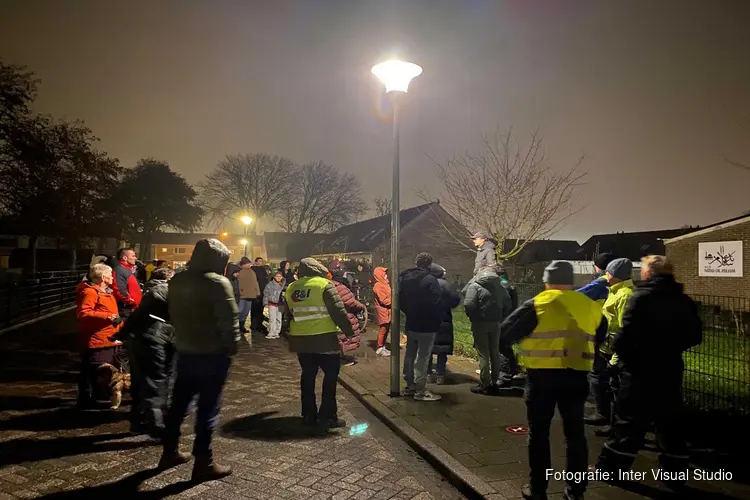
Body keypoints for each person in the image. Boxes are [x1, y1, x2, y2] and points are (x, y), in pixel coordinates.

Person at [499, 261, 607, 500]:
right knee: (575, 435)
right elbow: (600, 335)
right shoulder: (590, 306)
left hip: (542, 378)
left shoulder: (538, 304)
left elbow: (505, 333)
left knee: (539, 434)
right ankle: (575, 491)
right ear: (570, 281)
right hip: (577, 376)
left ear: (547, 280)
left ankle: (538, 489)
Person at [596, 255, 702, 488]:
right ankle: (674, 476)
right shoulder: (683, 300)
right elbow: (695, 335)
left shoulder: (641, 298)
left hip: (639, 371)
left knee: (627, 423)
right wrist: (671, 347)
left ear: (649, 273)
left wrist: (627, 359)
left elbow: (625, 336)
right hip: (670, 369)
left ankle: (611, 470)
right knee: (669, 424)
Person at [159, 238, 238, 482]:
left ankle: (169, 452)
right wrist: (231, 348)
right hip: (212, 354)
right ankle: (204, 461)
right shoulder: (218, 283)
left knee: (179, 404)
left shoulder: (178, 280)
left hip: (185, 351)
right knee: (208, 408)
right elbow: (229, 322)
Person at [285, 258, 355, 428]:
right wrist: (349, 331)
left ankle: (308, 415)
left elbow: (289, 314)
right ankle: (328, 416)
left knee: (308, 376)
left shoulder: (292, 287)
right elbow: (338, 311)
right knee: (330, 378)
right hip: (325, 339)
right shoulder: (324, 285)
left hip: (301, 340)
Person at [111, 267, 176, 437]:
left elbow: (136, 316)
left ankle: (138, 422)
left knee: (140, 382)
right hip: (156, 341)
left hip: (139, 340)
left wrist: (121, 334)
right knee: (157, 383)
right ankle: (157, 427)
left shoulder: (149, 291)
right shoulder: (166, 291)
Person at [586, 257, 635, 433]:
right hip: (605, 346)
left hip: (614, 350)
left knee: (617, 388)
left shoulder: (625, 295)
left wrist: (615, 359)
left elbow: (624, 329)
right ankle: (607, 418)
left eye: (608, 272)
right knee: (606, 383)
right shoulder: (613, 291)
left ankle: (616, 426)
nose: (605, 274)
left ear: (615, 275)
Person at [75, 263, 124, 409]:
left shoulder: (105, 292)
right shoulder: (91, 292)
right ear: (103, 277)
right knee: (92, 371)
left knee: (102, 371)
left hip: (107, 338)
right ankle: (86, 399)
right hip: (96, 339)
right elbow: (83, 313)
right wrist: (108, 316)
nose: (112, 277)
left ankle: (98, 395)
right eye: (110, 275)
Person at [463, 263, 514, 395]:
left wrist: (472, 316)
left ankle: (484, 384)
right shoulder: (499, 287)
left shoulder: (475, 286)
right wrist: (500, 315)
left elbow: (468, 304)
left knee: (483, 354)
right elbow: (508, 304)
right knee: (494, 352)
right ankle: (494, 381)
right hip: (496, 323)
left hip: (480, 323)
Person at [399, 252, 444, 402]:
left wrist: (409, 312)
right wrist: (436, 321)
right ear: (429, 264)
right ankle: (420, 390)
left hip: (411, 322)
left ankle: (409, 385)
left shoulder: (404, 278)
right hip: (427, 324)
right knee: (423, 357)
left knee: (410, 354)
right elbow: (437, 302)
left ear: (416, 262)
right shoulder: (431, 280)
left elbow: (399, 299)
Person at [427, 263, 460, 385]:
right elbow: (455, 300)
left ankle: (428, 374)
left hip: (429, 319)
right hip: (444, 318)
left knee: (428, 349)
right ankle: (441, 375)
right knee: (442, 349)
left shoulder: (427, 284)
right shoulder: (447, 285)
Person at [328, 260, 365, 365]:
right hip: (344, 316)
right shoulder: (340, 287)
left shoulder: (330, 285)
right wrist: (360, 306)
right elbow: (350, 302)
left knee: (339, 338)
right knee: (343, 338)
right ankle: (339, 360)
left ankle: (339, 357)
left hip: (335, 317)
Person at [111, 248, 142, 320]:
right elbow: (119, 290)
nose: (135, 258)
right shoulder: (119, 270)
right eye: (133, 256)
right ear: (125, 258)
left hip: (131, 309)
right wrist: (132, 302)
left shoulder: (126, 270)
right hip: (126, 310)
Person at [372, 267, 392, 357]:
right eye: (384, 273)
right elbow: (384, 300)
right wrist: (394, 300)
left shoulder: (385, 284)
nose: (386, 275)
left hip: (387, 310)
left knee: (386, 328)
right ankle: (379, 347)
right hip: (383, 310)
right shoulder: (378, 286)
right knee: (383, 329)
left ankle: (382, 346)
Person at [237, 256, 259, 335]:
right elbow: (238, 283)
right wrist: (240, 291)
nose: (249, 265)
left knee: (246, 312)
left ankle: (242, 326)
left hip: (250, 295)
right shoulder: (240, 271)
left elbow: (255, 282)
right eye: (247, 263)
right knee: (240, 311)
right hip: (242, 295)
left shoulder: (252, 272)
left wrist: (257, 292)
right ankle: (238, 327)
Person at [262, 270, 285, 339]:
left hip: (280, 304)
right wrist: (265, 303)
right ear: (274, 277)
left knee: (279, 319)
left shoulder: (283, 285)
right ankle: (271, 332)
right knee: (272, 318)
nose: (278, 278)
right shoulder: (269, 285)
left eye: (280, 276)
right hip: (272, 303)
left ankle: (277, 332)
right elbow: (266, 294)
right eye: (277, 276)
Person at [251, 257, 270, 333]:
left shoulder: (263, 269)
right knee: (255, 308)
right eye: (259, 261)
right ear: (255, 262)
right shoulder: (252, 269)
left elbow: (266, 279)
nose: (261, 262)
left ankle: (259, 323)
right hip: (255, 292)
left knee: (261, 308)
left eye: (262, 261)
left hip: (263, 291)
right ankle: (254, 325)